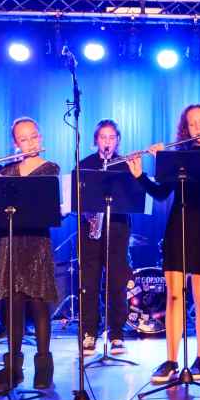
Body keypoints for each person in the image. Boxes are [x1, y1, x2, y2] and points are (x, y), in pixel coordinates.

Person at [127, 105, 200, 383]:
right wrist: (140, 175)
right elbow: (161, 193)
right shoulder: (178, 156)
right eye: (192, 124)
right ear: (186, 129)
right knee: (174, 296)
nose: (197, 127)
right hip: (177, 225)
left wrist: (166, 159)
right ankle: (171, 360)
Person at [0, 117, 59, 390]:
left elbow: (28, 198)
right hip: (10, 243)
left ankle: (44, 368)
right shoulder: (9, 170)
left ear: (41, 137)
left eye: (34, 136)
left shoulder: (50, 168)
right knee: (12, 306)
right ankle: (12, 368)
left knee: (38, 304)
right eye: (23, 139)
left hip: (36, 244)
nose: (30, 143)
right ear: (16, 143)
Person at [79, 119, 133, 356]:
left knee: (116, 284)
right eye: (103, 137)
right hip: (90, 230)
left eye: (112, 137)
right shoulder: (85, 165)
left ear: (117, 140)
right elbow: (76, 199)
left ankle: (117, 334)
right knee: (89, 284)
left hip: (117, 229)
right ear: (96, 140)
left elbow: (133, 197)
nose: (107, 142)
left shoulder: (125, 165)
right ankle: (89, 332)